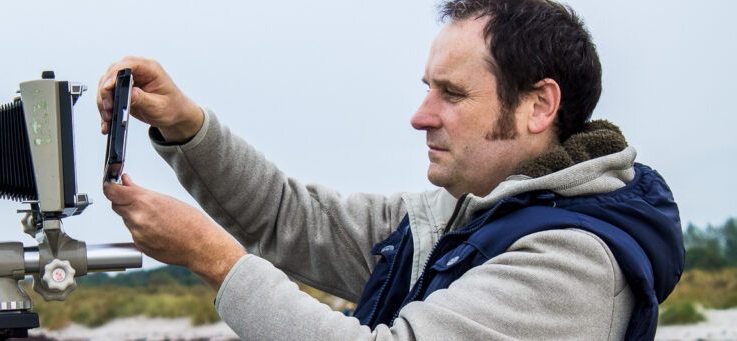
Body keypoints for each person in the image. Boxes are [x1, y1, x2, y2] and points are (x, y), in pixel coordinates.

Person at [97, 0, 684, 339]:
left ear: (538, 106)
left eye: (451, 94)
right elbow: (286, 218)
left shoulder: (574, 263)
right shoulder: (461, 216)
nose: (419, 116)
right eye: (427, 88)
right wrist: (187, 126)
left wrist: (213, 259)